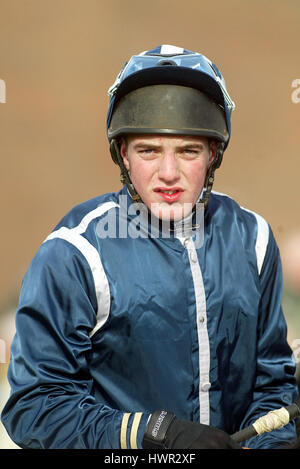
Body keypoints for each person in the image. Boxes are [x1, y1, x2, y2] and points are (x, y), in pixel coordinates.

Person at [1, 44, 298, 449]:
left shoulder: (255, 239)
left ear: (213, 154)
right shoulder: (73, 253)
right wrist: (154, 435)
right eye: (149, 151)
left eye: (188, 151)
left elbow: (273, 387)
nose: (169, 174)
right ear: (123, 154)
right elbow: (36, 406)